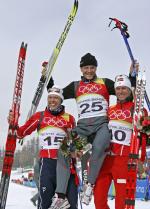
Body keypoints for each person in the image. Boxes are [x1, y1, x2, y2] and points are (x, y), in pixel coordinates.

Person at [46, 53, 137, 207]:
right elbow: (57, 95)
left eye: (92, 67)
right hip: (82, 129)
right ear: (81, 69)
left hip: (101, 126)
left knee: (100, 147)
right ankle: (61, 195)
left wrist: (132, 77)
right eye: (86, 67)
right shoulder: (75, 86)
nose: (89, 70)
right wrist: (48, 78)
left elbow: (125, 93)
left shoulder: (105, 83)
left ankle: (90, 184)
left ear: (96, 68)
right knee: (63, 151)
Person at [8, 86, 78, 209]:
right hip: (47, 163)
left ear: (61, 100)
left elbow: (75, 141)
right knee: (45, 201)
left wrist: (77, 151)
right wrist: (13, 123)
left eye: (56, 98)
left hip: (66, 163)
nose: (52, 100)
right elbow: (20, 133)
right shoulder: (40, 116)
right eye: (50, 97)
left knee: (71, 202)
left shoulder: (70, 118)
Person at [94, 75, 148, 209]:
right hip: (105, 159)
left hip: (124, 161)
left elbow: (144, 136)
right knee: (99, 201)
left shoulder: (138, 110)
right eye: (118, 88)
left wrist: (145, 128)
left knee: (122, 203)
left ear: (130, 90)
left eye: (124, 88)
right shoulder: (109, 110)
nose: (121, 91)